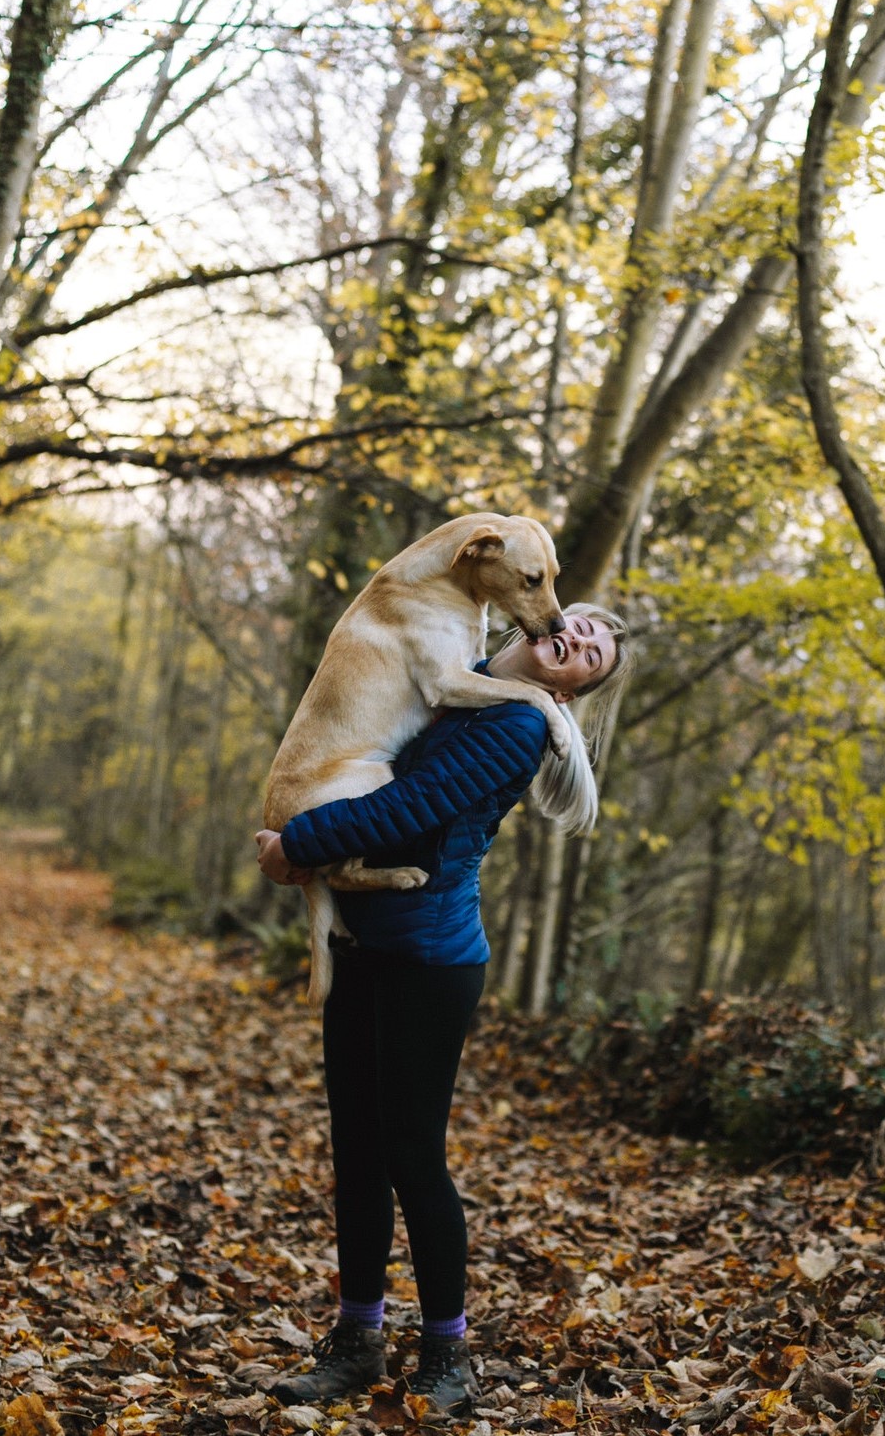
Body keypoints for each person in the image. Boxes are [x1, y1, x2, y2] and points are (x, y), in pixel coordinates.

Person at [254, 603, 632, 1416]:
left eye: (591, 654)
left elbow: (408, 811)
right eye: (582, 622)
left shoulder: (515, 730)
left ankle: (446, 1354)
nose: (578, 636)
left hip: (431, 961)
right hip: (361, 942)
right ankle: (357, 1341)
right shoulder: (453, 685)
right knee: (354, 1148)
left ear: (571, 690)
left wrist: (298, 845)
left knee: (409, 1154)